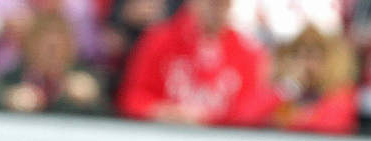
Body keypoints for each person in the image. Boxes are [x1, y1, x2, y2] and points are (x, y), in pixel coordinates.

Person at [115, 0, 273, 127]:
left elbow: (250, 112)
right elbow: (132, 97)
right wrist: (162, 111)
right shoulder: (159, 39)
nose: (215, 8)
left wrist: (209, 119)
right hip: (162, 137)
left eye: (222, 3)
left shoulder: (247, 52)